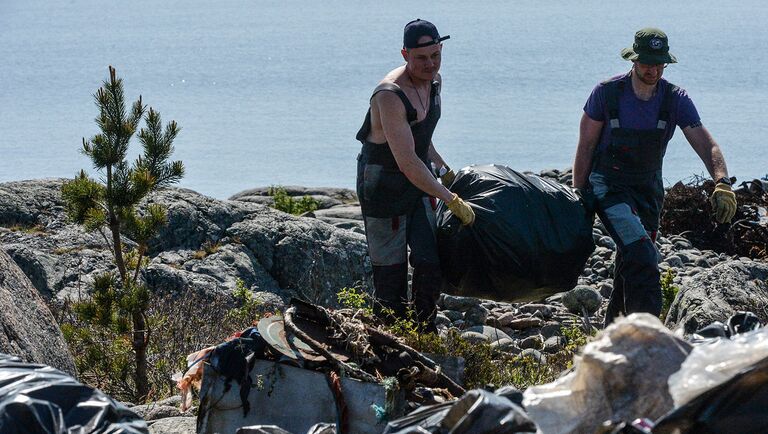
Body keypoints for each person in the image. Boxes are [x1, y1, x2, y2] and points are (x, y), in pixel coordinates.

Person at [572, 28, 737, 326]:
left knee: (630, 261)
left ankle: (610, 342)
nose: (653, 69)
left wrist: (722, 182)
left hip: (648, 191)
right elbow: (585, 147)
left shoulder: (675, 99)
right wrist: (578, 196)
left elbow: (706, 143)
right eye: (647, 62)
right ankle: (646, 341)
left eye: (659, 63)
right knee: (644, 256)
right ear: (634, 61)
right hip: (608, 186)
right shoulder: (606, 94)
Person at [355, 19, 475, 331]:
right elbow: (406, 159)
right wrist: (450, 199)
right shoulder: (389, 95)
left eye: (435, 55)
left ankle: (424, 331)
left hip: (419, 178)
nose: (429, 64)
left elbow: (421, 141)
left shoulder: (434, 82)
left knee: (430, 260)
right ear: (405, 54)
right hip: (383, 183)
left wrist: (446, 173)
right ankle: (389, 338)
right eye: (421, 58)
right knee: (390, 273)